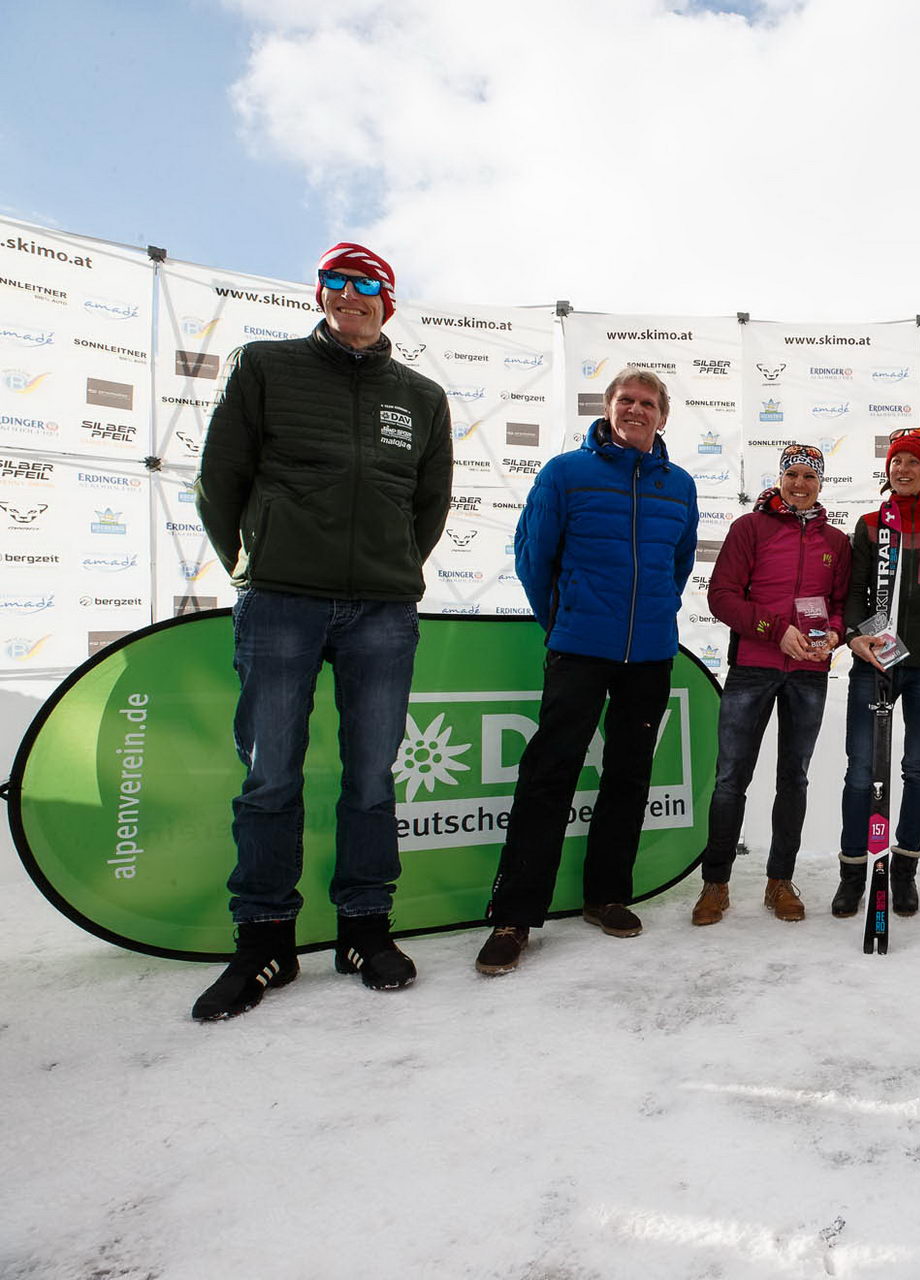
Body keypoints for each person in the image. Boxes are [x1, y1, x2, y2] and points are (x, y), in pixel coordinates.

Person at [189, 242, 452, 1021]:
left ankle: (364, 929)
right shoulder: (263, 366)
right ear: (320, 294)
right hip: (280, 602)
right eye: (336, 282)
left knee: (373, 775)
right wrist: (258, 559)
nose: (350, 295)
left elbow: (428, 507)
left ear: (388, 302)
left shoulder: (423, 396)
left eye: (366, 285)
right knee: (271, 773)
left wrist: (391, 565)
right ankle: (264, 940)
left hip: (382, 609)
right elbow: (219, 482)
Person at [472, 367, 699, 975]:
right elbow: (531, 558)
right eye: (626, 400)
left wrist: (650, 616)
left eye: (648, 403)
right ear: (607, 407)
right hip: (579, 648)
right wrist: (566, 621)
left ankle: (606, 895)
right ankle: (514, 915)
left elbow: (676, 570)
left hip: (650, 654)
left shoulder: (679, 485)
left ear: (663, 415)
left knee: (629, 774)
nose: (636, 409)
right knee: (550, 774)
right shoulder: (565, 473)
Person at [690, 444, 851, 924]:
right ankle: (715, 885)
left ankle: (780, 881)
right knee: (730, 779)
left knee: (793, 779)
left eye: (809, 476)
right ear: (779, 479)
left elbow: (841, 604)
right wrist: (774, 630)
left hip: (808, 673)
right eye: (792, 475)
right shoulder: (749, 528)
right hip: (753, 668)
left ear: (821, 483)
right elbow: (721, 597)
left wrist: (836, 636)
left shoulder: (836, 541)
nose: (800, 484)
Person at [832, 428, 920, 919]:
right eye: (895, 462)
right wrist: (853, 635)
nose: (902, 470)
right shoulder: (869, 525)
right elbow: (853, 590)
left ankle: (903, 871)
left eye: (913, 462)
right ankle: (853, 874)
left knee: (917, 769)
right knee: (861, 772)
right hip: (872, 661)